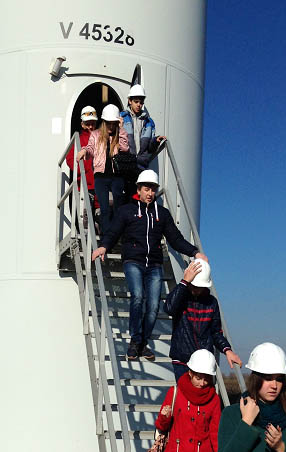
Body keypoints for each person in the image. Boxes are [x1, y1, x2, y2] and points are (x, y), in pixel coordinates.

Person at [91, 169, 206, 361]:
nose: (150, 193)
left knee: (153, 306)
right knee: (138, 297)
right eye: (146, 189)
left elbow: (175, 239)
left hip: (154, 264)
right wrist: (103, 246)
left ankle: (142, 343)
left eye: (153, 189)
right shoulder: (126, 211)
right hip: (133, 261)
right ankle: (135, 341)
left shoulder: (162, 214)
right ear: (138, 189)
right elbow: (113, 232)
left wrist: (195, 252)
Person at [165, 258, 242, 381]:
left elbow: (216, 332)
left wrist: (227, 350)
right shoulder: (180, 297)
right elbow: (169, 308)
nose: (196, 289)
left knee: (205, 393)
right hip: (182, 360)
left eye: (199, 286)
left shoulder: (211, 302)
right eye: (193, 285)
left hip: (204, 362)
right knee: (185, 394)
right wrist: (184, 282)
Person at [77, 104, 128, 235]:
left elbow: (125, 149)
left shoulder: (120, 133)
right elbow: (90, 148)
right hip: (100, 176)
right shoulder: (96, 134)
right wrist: (84, 151)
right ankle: (106, 238)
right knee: (104, 209)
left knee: (118, 207)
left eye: (113, 123)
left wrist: (121, 129)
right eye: (108, 123)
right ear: (104, 122)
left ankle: (117, 235)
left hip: (117, 175)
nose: (111, 126)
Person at [120, 84, 166, 198]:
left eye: (141, 102)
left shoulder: (149, 122)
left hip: (141, 165)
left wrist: (156, 141)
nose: (139, 105)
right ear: (130, 101)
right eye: (136, 101)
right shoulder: (121, 117)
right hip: (126, 163)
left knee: (139, 197)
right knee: (127, 195)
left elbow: (150, 148)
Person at [65, 105, 98, 215]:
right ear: (82, 124)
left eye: (93, 123)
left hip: (100, 185)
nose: (90, 126)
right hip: (84, 186)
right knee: (85, 218)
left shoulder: (101, 137)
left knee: (101, 217)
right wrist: (83, 170)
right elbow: (70, 159)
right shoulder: (78, 139)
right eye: (88, 123)